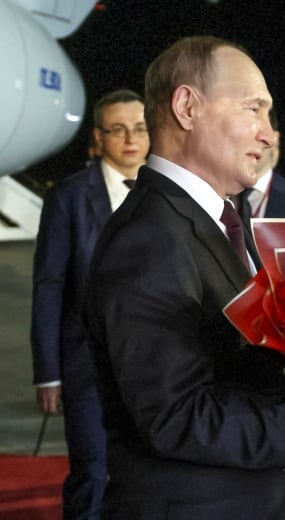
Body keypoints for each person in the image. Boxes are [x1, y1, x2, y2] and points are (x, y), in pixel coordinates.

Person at [84, 36, 285, 519]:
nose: (269, 135)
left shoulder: (223, 221)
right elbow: (177, 417)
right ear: (187, 107)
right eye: (254, 109)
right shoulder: (149, 238)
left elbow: (252, 378)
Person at [31, 88, 149, 519]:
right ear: (98, 137)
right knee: (93, 472)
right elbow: (49, 285)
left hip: (157, 365)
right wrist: (48, 373)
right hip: (88, 365)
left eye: (139, 128)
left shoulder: (168, 191)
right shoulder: (69, 197)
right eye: (117, 130)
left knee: (152, 477)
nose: (130, 139)